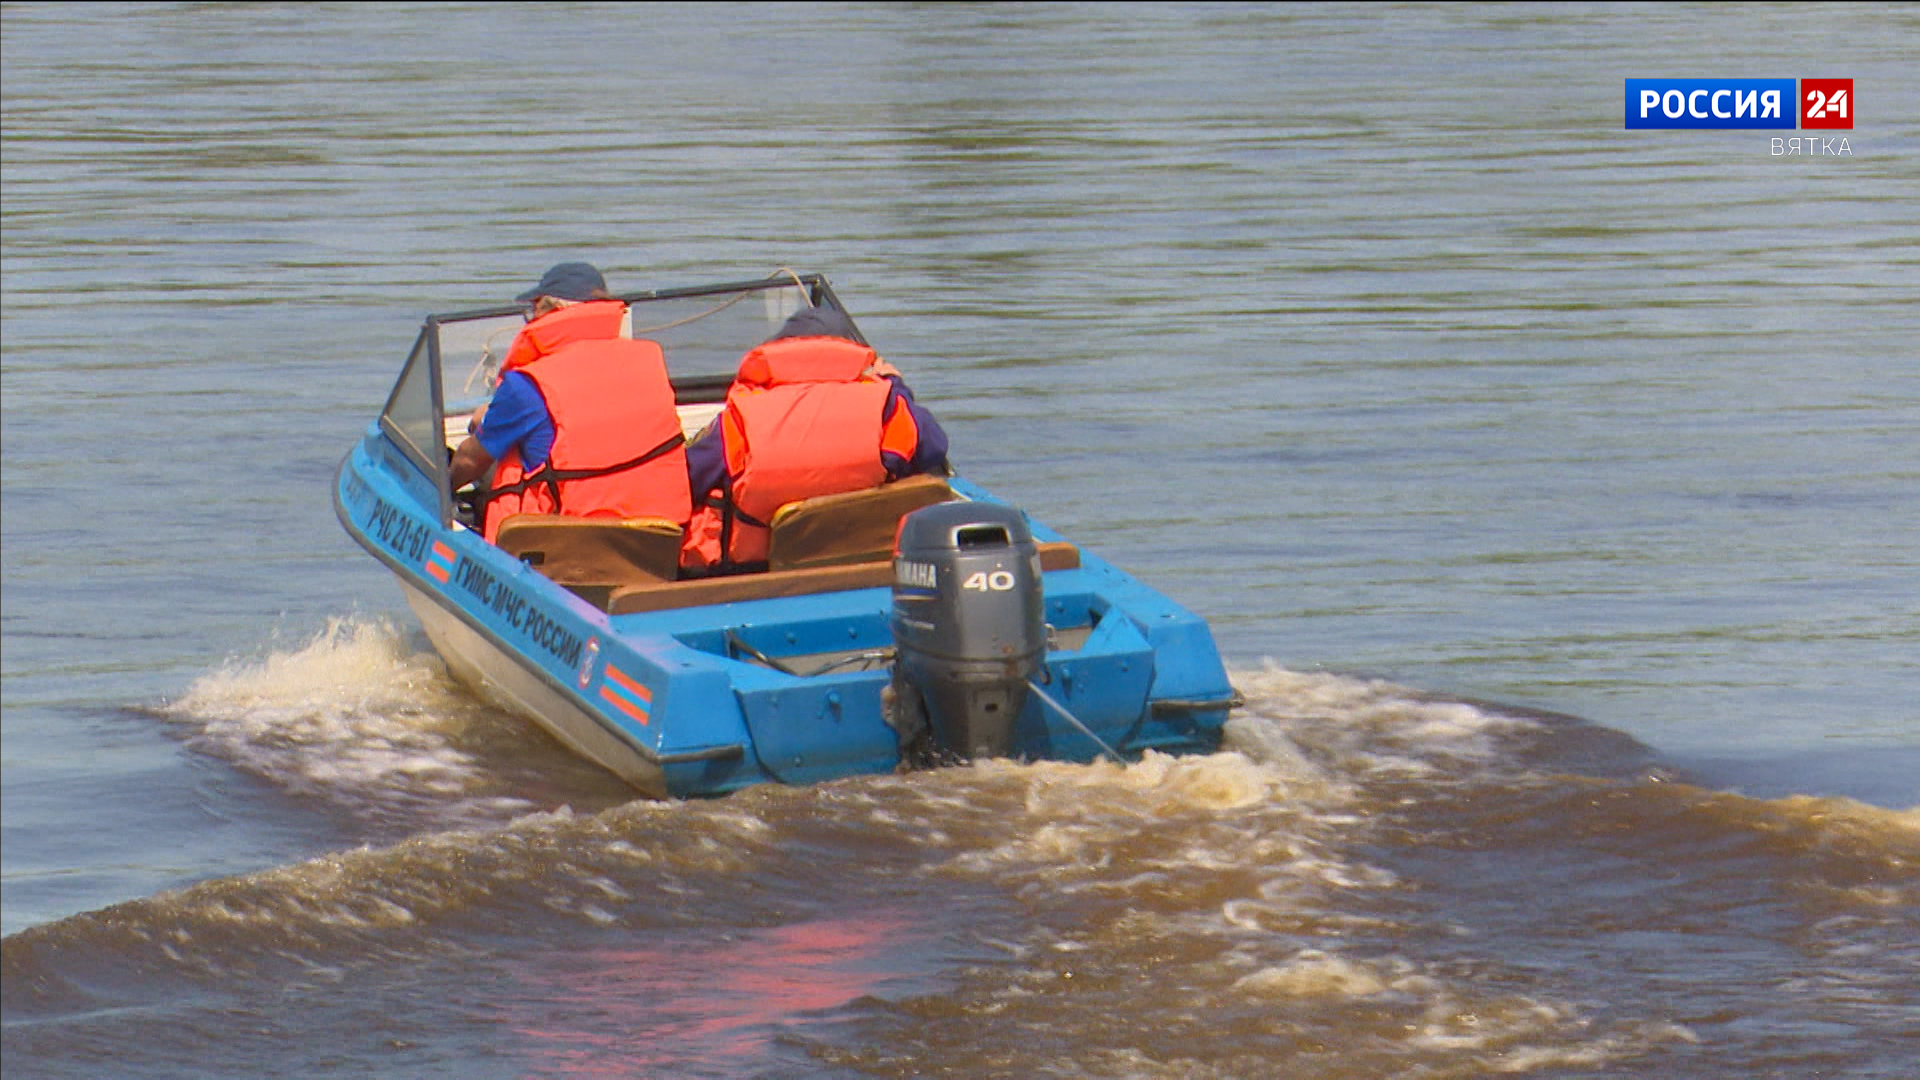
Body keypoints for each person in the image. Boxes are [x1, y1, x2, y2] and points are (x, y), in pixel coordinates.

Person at [679, 304, 950, 574]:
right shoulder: (887, 405)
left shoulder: (742, 417)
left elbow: (686, 480)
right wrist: (895, 385)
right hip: (862, 562)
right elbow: (933, 450)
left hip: (759, 572)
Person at [449, 262, 692, 543]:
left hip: (564, 545)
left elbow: (471, 459)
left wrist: (442, 491)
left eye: (534, 308)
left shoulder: (527, 385)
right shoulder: (648, 360)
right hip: (656, 535)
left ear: (551, 310)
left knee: (501, 457)